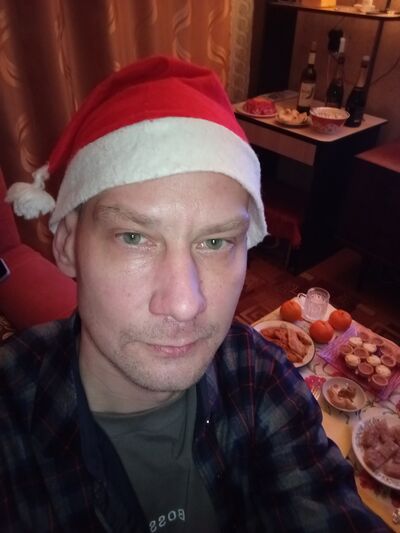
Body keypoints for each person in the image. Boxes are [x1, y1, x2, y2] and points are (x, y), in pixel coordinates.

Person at [2, 56, 388, 533]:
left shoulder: (260, 376)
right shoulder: (12, 412)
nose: (186, 304)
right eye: (134, 237)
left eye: (216, 242)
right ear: (66, 246)